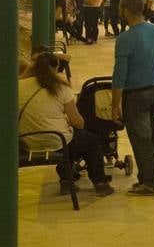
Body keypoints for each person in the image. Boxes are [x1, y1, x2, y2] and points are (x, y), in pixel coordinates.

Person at [18, 51, 113, 197]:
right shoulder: (61, 87)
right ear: (56, 68)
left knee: (72, 140)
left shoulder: (18, 86)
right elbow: (77, 122)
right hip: (58, 140)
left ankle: (67, 180)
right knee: (89, 141)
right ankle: (100, 183)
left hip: (26, 142)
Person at [111, 0, 154, 195]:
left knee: (141, 141)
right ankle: (145, 177)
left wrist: (115, 104)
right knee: (151, 138)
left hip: (137, 96)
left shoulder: (125, 38)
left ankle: (151, 183)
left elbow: (119, 75)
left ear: (125, 11)